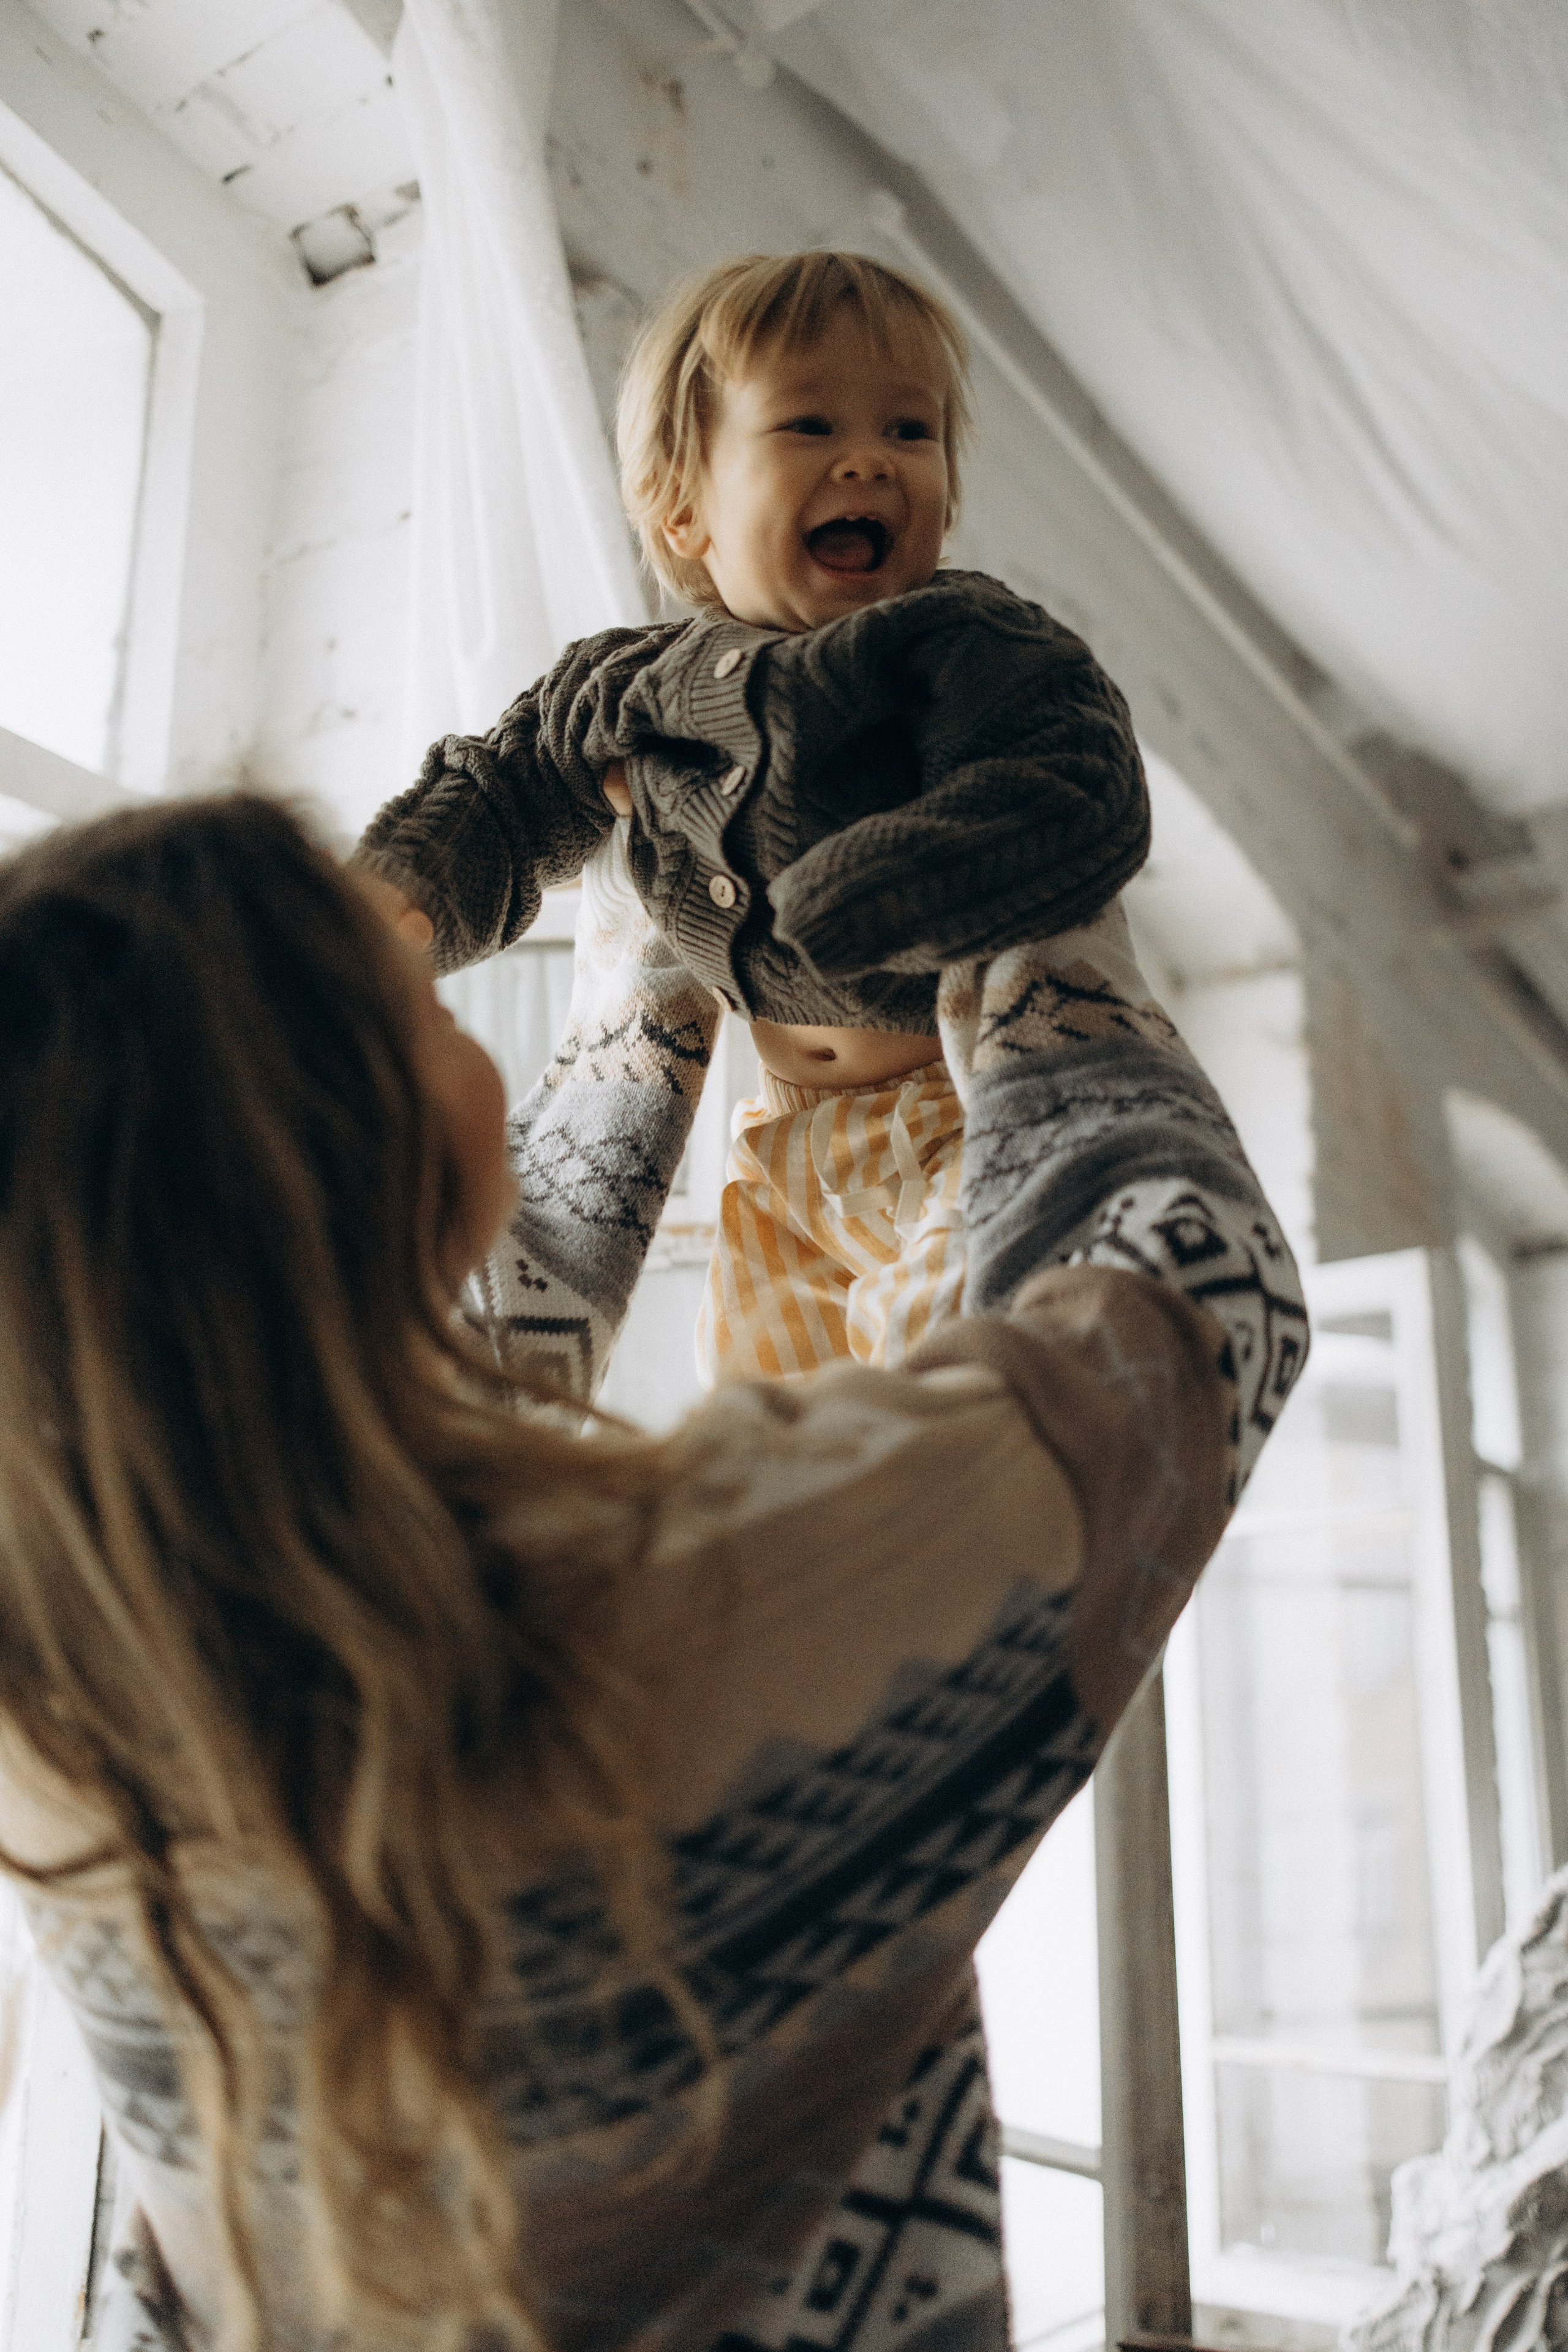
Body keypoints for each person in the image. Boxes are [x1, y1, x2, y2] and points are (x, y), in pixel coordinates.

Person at [0, 793, 1305, 2352]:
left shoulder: (68, 1684)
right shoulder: (679, 1615)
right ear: (349, 1143)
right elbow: (1195, 1301)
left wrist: (650, 980)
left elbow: (477, 1378)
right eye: (412, 999)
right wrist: (1032, 894)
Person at [356, 249, 1151, 1385]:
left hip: (960, 1124)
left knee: (949, 1391)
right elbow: (501, 788)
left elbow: (1075, 787)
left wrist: (883, 888)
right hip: (781, 1151)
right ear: (685, 509)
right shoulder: (625, 683)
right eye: (810, 427)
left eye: (910, 432)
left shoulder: (969, 646)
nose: (870, 459)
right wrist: (383, 908)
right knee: (759, 1417)